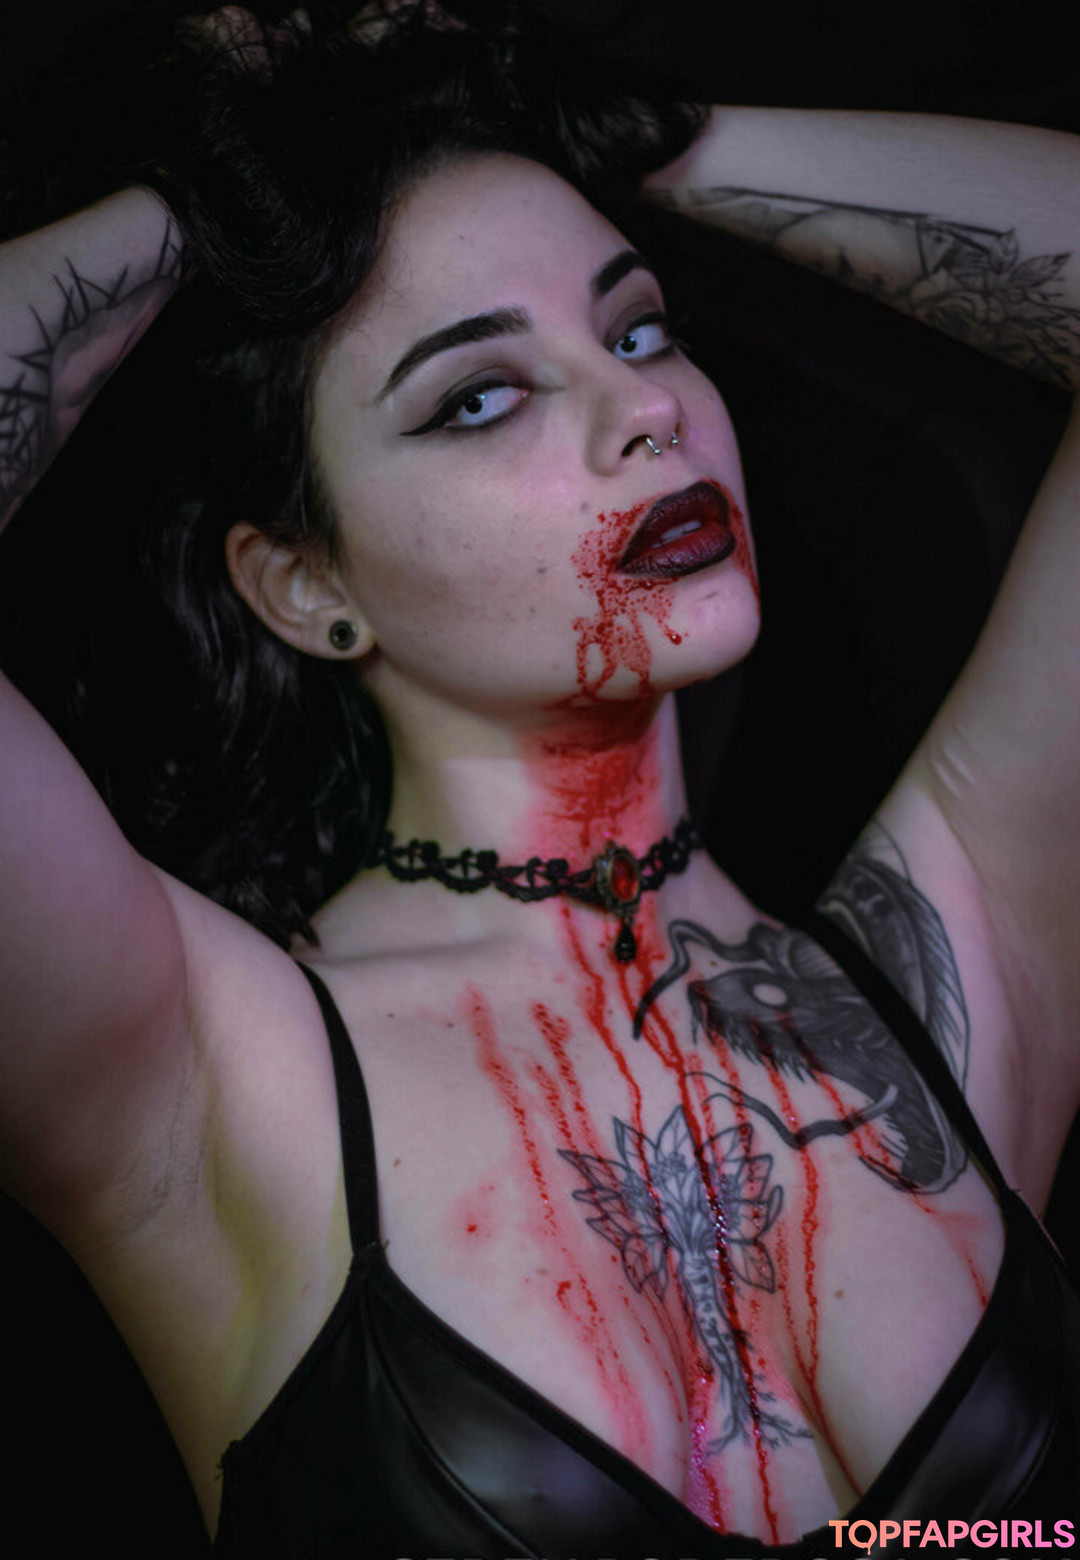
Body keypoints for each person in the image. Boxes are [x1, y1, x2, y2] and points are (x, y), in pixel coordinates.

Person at [1, 2, 1078, 1553]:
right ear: (306, 585)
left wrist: (653, 137)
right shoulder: (199, 1065)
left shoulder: (950, 973)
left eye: (637, 329)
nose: (649, 410)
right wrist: (214, 191)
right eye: (480, 396)